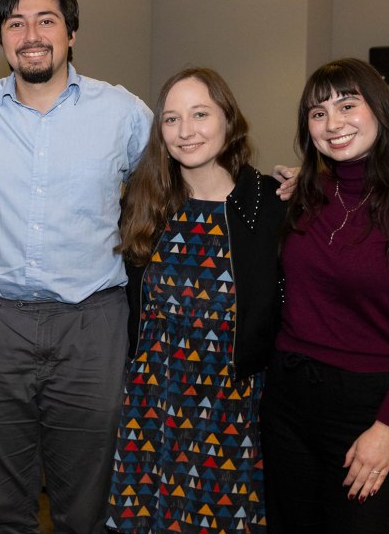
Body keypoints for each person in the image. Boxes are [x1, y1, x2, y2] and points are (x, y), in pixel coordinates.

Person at [0, 0, 152, 533]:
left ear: (71, 34)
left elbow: (179, 175)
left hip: (90, 326)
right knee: (2, 503)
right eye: (15, 23)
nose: (31, 33)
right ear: (1, 40)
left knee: (85, 501)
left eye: (46, 20)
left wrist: (280, 185)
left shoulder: (123, 113)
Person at [259, 58, 389, 534]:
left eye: (347, 105)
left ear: (381, 111)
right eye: (317, 113)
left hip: (369, 407)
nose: (333, 124)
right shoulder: (304, 195)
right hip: (287, 399)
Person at [106, 68, 285, 533]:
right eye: (171, 119)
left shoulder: (271, 203)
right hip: (152, 402)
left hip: (232, 405)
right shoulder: (145, 204)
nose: (186, 131)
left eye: (200, 114)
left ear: (228, 119)